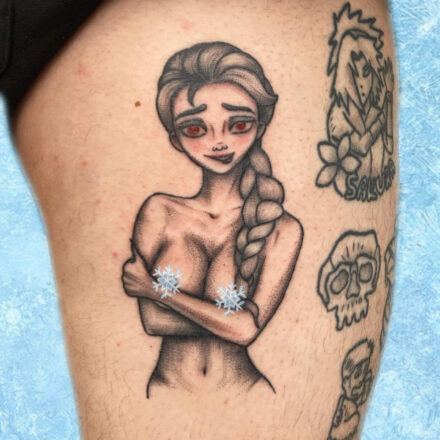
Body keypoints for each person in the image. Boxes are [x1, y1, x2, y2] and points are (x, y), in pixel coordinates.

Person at [1, 1, 397, 438]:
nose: (219, 142)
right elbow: (157, 323)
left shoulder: (281, 227)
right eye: (195, 128)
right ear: (174, 136)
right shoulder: (159, 211)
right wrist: (228, 320)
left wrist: (156, 289)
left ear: (262, 123)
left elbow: (240, 328)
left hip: (248, 394)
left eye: (239, 123)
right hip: (164, 388)